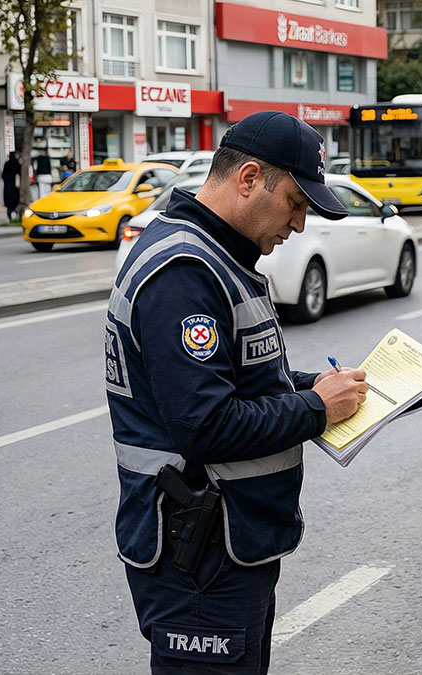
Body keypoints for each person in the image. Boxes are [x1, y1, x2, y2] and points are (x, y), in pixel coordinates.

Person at [106, 111, 368, 674]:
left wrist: (313, 387)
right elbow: (205, 425)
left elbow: (244, 382)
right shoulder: (184, 271)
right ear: (248, 178)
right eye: (296, 203)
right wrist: (317, 409)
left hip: (226, 545)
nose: (299, 225)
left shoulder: (218, 257)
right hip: (197, 554)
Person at [2, 152, 21, 222]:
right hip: (16, 187)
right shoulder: (17, 164)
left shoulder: (6, 164)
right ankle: (16, 215)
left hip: (8, 187)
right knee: (16, 202)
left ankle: (10, 216)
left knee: (9, 204)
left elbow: (3, 175)